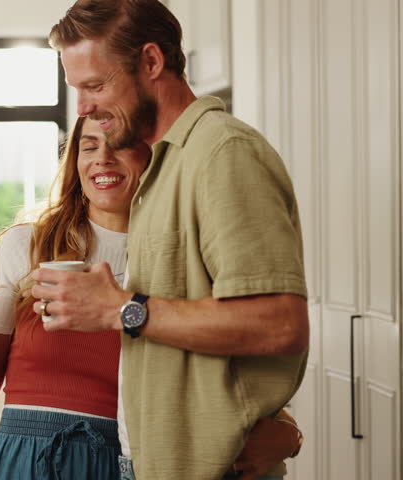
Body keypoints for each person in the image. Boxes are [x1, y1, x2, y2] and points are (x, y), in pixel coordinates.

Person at [0, 116, 301, 480]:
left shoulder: (180, 261)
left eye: (121, 146)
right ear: (75, 163)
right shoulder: (28, 246)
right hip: (27, 461)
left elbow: (225, 370)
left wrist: (285, 427)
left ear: (152, 160)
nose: (103, 159)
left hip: (134, 462)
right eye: (89, 146)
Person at [32, 1, 310, 479]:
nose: (84, 108)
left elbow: (279, 324)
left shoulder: (223, 153)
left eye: (95, 86)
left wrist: (120, 310)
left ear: (152, 62)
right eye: (76, 89)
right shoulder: (163, 166)